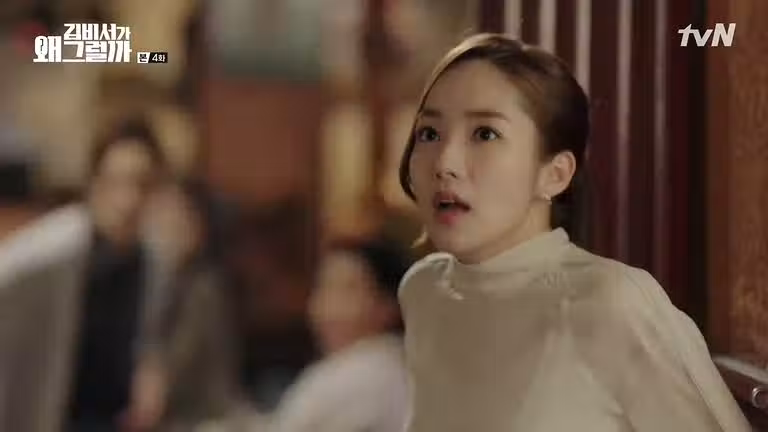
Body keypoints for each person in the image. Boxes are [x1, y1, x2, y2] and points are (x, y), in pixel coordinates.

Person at [396, 34, 750, 432]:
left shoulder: (612, 302)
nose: (444, 163)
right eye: (429, 133)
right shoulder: (423, 291)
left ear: (555, 174)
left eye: (485, 134)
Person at [0, 115, 179, 432]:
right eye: (116, 182)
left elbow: (149, 340)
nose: (128, 200)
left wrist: (149, 373)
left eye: (142, 184)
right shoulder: (50, 253)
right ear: (94, 183)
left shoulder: (152, 261)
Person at [269, 236, 412, 432]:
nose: (328, 306)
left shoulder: (365, 371)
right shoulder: (398, 366)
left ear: (388, 306)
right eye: (323, 288)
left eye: (346, 290)